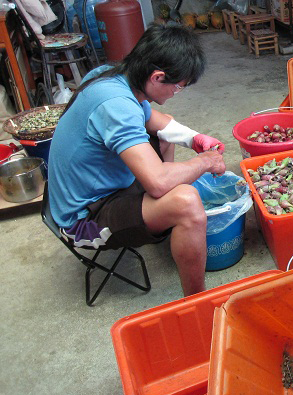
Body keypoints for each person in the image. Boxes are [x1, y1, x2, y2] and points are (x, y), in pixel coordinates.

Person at [48, 24, 226, 297]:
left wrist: (195, 139)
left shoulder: (114, 76)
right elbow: (156, 184)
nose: (176, 93)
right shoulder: (116, 103)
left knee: (165, 136)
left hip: (92, 185)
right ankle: (197, 300)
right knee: (187, 203)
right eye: (177, 87)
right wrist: (207, 161)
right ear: (157, 77)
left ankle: (165, 218)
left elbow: (156, 122)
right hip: (83, 216)